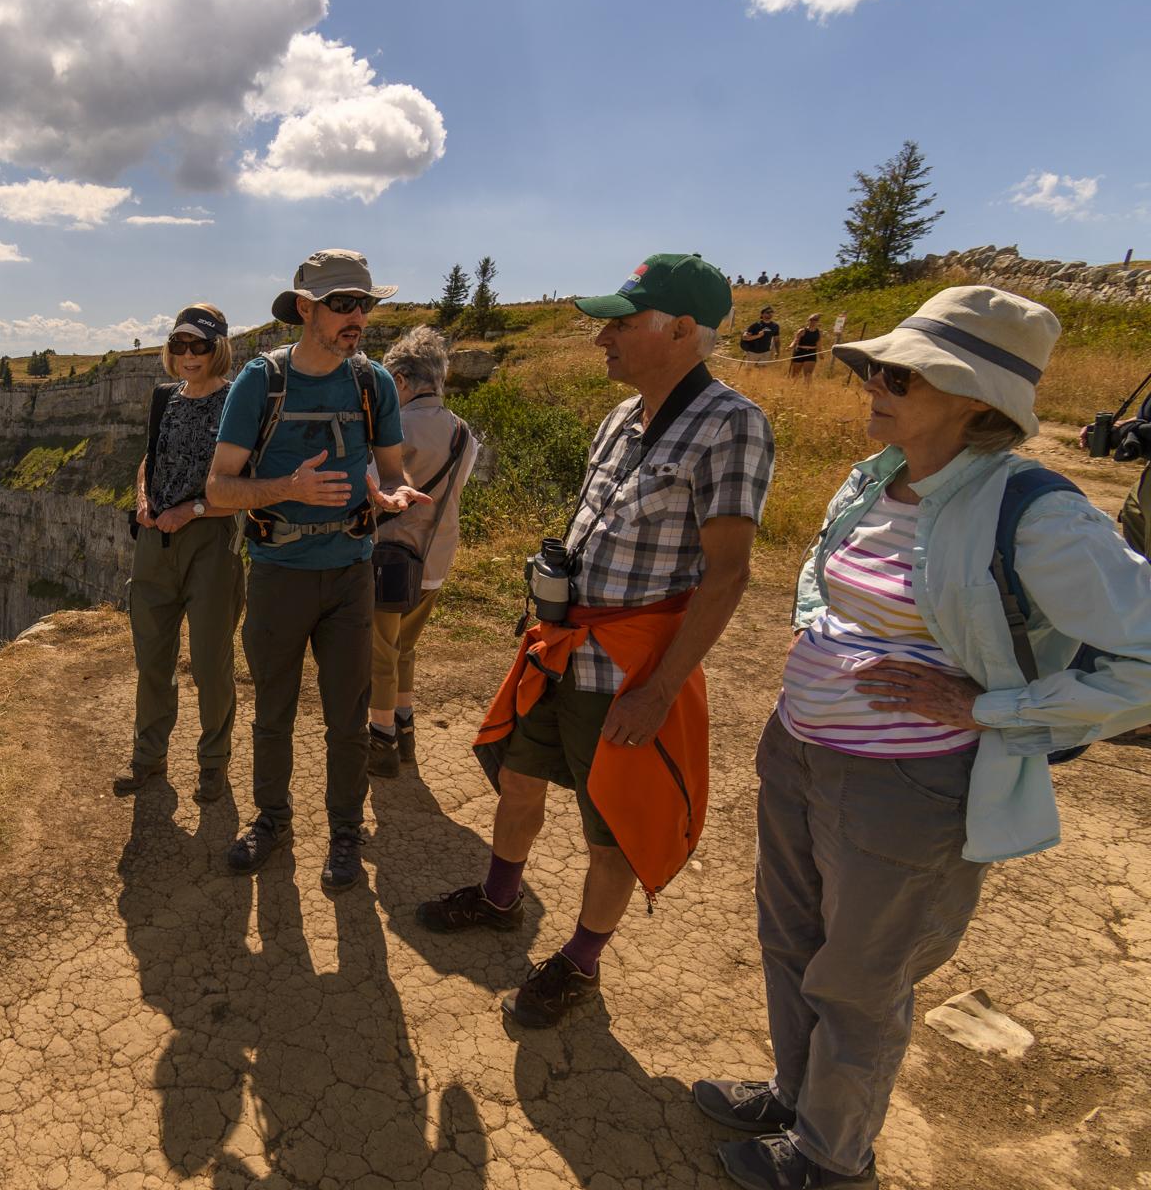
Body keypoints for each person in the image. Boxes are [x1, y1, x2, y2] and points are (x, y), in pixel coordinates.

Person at [696, 285, 1151, 1190]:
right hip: (803, 750)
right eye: (875, 366)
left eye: (902, 372)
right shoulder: (875, 475)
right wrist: (818, 636)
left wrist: (995, 707)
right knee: (791, 939)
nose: (875, 381)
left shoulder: (1037, 511)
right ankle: (796, 1096)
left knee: (860, 976)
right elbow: (831, 583)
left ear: (975, 400)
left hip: (907, 784)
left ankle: (833, 1151)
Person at [418, 252, 775, 1030]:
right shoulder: (621, 418)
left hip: (630, 664)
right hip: (561, 643)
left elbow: (727, 574)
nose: (600, 339)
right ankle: (501, 897)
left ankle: (580, 959)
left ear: (682, 330)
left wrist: (660, 688)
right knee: (519, 774)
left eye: (619, 323)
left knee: (610, 824)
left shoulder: (732, 424)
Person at [204, 249, 432, 890]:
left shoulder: (372, 384)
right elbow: (219, 489)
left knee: (349, 717)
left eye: (364, 303)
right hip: (278, 574)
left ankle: (343, 834)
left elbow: (392, 470)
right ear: (305, 308)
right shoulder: (261, 381)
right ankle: (272, 822)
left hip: (351, 573)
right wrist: (287, 489)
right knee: (273, 712)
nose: (357, 316)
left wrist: (393, 494)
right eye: (342, 304)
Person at [114, 305, 246, 802]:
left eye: (200, 346)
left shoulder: (237, 402)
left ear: (219, 348)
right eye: (179, 345)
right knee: (152, 657)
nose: (188, 355)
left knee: (210, 660)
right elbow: (150, 457)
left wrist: (191, 510)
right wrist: (143, 501)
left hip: (209, 541)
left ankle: (214, 762)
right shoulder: (165, 397)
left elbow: (242, 484)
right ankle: (148, 756)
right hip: (155, 541)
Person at [368, 326, 480, 778]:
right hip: (435, 563)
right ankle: (405, 729)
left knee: (379, 654)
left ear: (400, 380)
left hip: (391, 559)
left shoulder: (394, 428)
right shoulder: (463, 433)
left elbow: (372, 485)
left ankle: (381, 745)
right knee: (405, 650)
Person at [788, 314, 821, 379]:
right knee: (794, 375)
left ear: (817, 321)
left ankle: (807, 388)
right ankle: (791, 388)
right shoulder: (802, 331)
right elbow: (796, 340)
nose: (813, 321)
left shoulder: (819, 332)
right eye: (811, 319)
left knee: (808, 375)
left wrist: (820, 353)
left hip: (812, 353)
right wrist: (791, 347)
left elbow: (818, 343)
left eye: (815, 320)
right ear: (808, 320)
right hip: (800, 352)